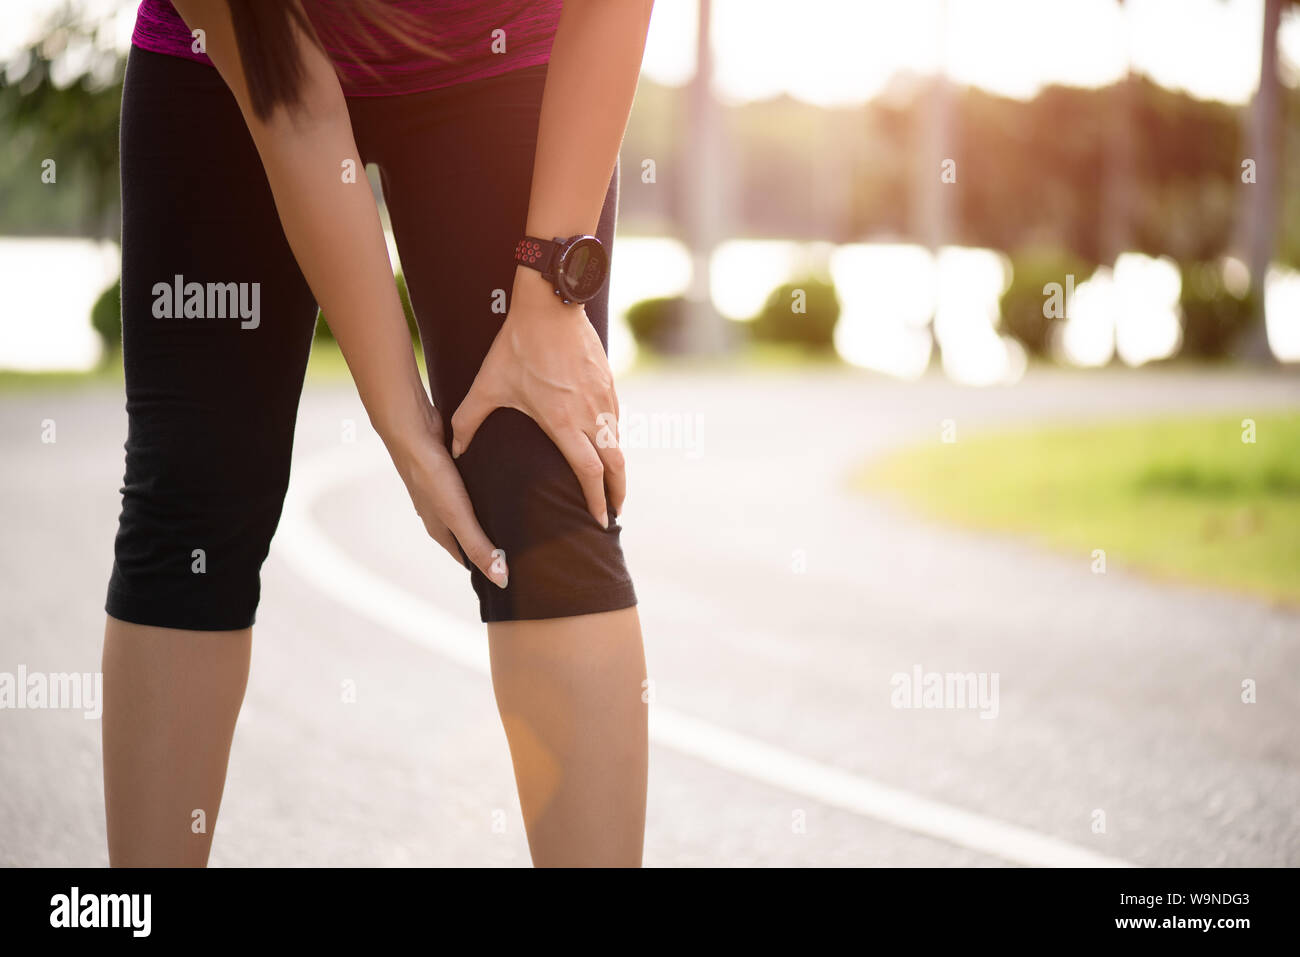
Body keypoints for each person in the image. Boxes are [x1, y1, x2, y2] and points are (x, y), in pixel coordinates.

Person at [102, 0, 652, 868]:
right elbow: (299, 104)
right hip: (237, 61)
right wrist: (405, 427)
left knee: (544, 481)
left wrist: (550, 297)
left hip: (500, 54)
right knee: (193, 498)